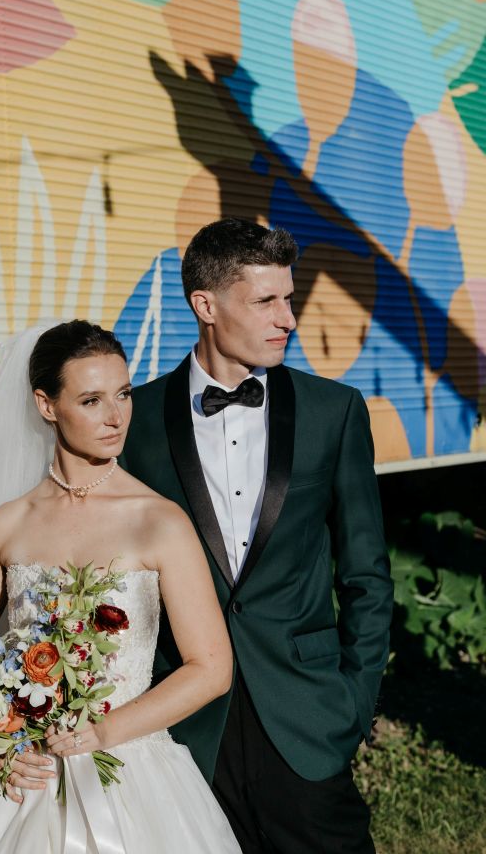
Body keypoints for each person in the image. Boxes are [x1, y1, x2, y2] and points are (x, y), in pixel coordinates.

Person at [0, 320, 243, 853]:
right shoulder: (7, 524)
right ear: (47, 406)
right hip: (25, 774)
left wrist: (104, 733)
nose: (116, 417)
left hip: (129, 769)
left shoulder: (159, 521)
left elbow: (212, 669)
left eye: (124, 394)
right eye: (91, 400)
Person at [120, 218, 393, 853]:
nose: (287, 318)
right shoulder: (138, 423)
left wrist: (353, 706)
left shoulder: (335, 411)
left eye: (288, 299)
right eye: (266, 301)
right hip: (188, 730)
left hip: (306, 719)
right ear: (205, 306)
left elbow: (367, 576)